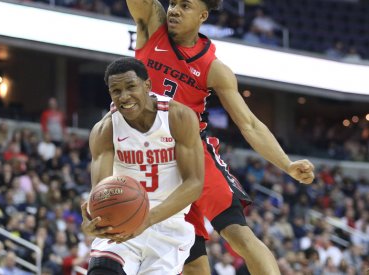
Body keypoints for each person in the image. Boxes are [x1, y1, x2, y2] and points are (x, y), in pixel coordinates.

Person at [124, 0, 316, 274]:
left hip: (192, 153)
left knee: (238, 233)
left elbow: (249, 124)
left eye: (185, 5)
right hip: (150, 159)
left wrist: (287, 165)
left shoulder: (214, 68)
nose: (175, 9)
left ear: (203, 15)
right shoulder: (152, 25)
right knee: (192, 263)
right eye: (173, 3)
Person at [81, 57, 204, 274]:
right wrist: (92, 220)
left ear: (147, 85)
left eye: (130, 87)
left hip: (169, 222)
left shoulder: (178, 116)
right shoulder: (105, 130)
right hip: (122, 220)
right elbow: (100, 191)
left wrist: (147, 219)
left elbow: (194, 183)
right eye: (116, 90)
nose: (124, 96)